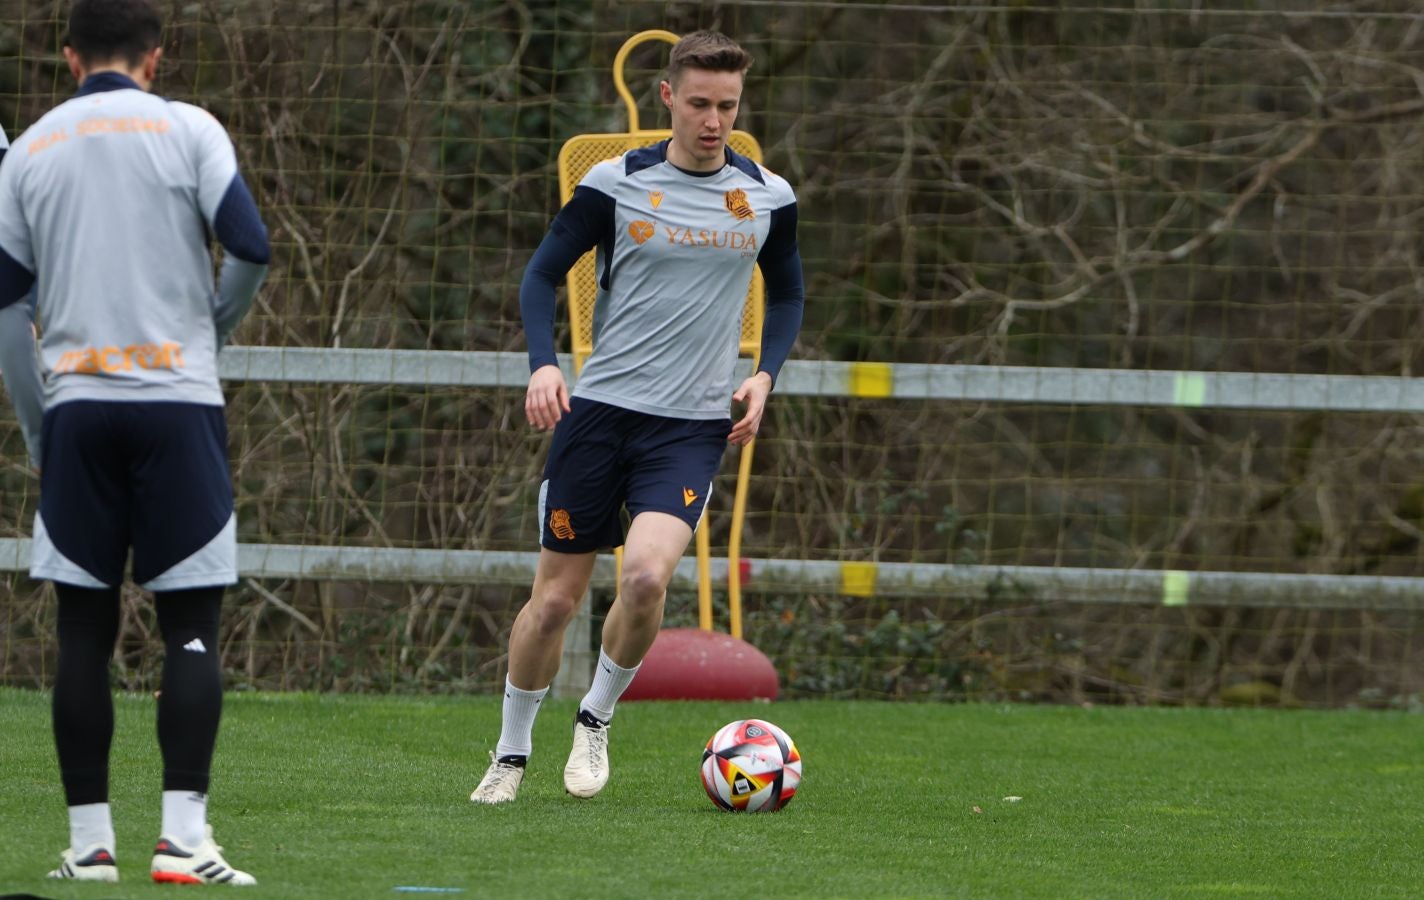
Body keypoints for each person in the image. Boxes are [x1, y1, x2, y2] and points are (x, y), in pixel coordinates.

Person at [471, 29, 805, 804]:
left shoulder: (767, 197)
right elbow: (540, 277)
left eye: (727, 105)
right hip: (599, 417)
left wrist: (764, 376)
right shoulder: (615, 182)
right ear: (667, 98)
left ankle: (595, 720)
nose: (713, 120)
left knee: (649, 577)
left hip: (689, 427)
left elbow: (786, 292)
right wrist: (544, 363)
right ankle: (511, 752)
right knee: (554, 601)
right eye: (698, 103)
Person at [0, 0, 269, 885]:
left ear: (70, 56)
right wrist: (207, 334)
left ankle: (89, 849)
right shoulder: (191, 129)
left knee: (83, 629)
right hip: (178, 403)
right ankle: (184, 842)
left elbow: (7, 306)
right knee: (190, 625)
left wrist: (40, 421)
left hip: (76, 407)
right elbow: (251, 247)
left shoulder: (30, 146)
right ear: (155, 57)